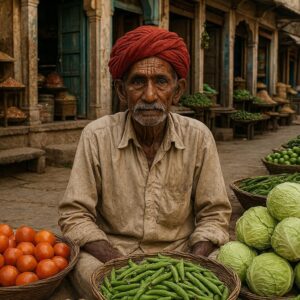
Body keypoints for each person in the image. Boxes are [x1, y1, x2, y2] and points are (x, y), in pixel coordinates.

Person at [58, 25, 232, 299]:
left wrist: (190, 263)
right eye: (138, 81)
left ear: (177, 90)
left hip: (181, 254)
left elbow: (214, 214)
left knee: (223, 268)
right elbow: (75, 214)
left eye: (161, 82)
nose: (149, 96)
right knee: (86, 272)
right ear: (121, 90)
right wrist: (119, 262)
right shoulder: (97, 136)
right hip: (112, 256)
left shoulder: (198, 137)